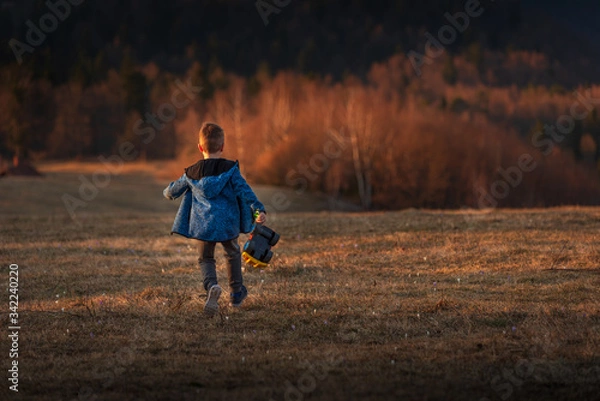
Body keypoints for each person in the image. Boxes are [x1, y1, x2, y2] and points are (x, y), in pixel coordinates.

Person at [163, 122, 266, 317]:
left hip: (203, 226)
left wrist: (167, 192)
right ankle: (236, 294)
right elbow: (244, 190)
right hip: (228, 224)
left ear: (200, 147)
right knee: (232, 254)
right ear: (222, 146)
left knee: (206, 259)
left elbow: (172, 191)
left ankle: (212, 286)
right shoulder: (231, 170)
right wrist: (258, 209)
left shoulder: (191, 173)